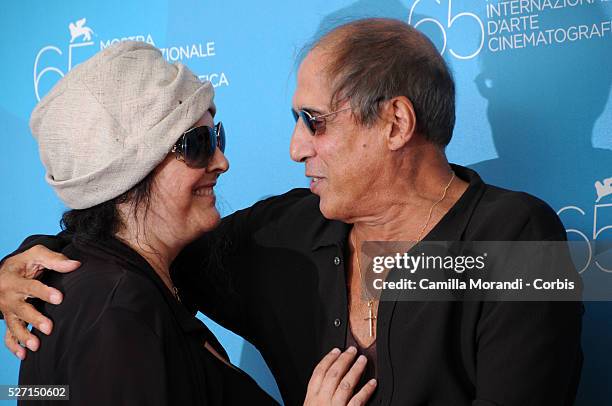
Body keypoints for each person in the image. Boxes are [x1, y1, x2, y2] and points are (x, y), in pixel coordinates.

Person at [0, 19, 582, 405]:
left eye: (315, 121)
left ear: (395, 124)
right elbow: (128, 248)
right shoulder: (285, 232)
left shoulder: (516, 240)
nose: (295, 148)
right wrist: (24, 266)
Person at [0, 41, 376, 406]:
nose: (220, 161)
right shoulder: (116, 312)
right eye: (196, 144)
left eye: (218, 137)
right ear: (128, 173)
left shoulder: (125, 278)